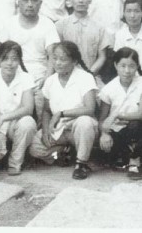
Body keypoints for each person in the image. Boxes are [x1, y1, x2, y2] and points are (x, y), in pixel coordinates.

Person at [29, 41, 98, 180]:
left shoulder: (85, 78)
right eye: (54, 58)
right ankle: (64, 152)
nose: (58, 63)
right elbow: (46, 110)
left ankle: (81, 164)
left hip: (78, 128)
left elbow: (90, 109)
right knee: (35, 147)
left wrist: (61, 113)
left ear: (74, 61)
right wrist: (46, 131)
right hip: (59, 129)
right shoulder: (50, 81)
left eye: (63, 59)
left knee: (85, 122)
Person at [0, 41, 36, 175]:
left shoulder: (26, 78)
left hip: (13, 123)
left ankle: (15, 163)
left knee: (28, 123)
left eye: (14, 59)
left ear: (19, 61)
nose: (10, 63)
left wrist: (3, 118)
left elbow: (28, 108)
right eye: (5, 58)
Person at [1, 0, 60, 117]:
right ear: (18, 2)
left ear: (40, 3)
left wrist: (46, 80)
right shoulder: (8, 24)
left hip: (39, 78)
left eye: (34, 0)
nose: (30, 4)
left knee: (40, 105)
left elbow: (52, 56)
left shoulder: (48, 24)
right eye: (25, 0)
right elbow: (2, 56)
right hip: (13, 75)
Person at [98, 47, 142, 180]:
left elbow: (141, 114)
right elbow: (102, 119)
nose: (127, 70)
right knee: (109, 149)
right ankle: (122, 156)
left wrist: (117, 115)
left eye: (131, 66)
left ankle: (134, 163)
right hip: (116, 131)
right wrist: (104, 134)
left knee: (135, 124)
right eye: (122, 66)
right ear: (115, 65)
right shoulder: (108, 89)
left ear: (137, 66)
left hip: (137, 130)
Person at [55, 0, 109, 81]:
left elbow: (102, 57)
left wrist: (89, 75)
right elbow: (55, 55)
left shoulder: (99, 27)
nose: (80, 0)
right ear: (71, 0)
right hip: (65, 77)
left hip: (91, 76)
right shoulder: (60, 25)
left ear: (90, 0)